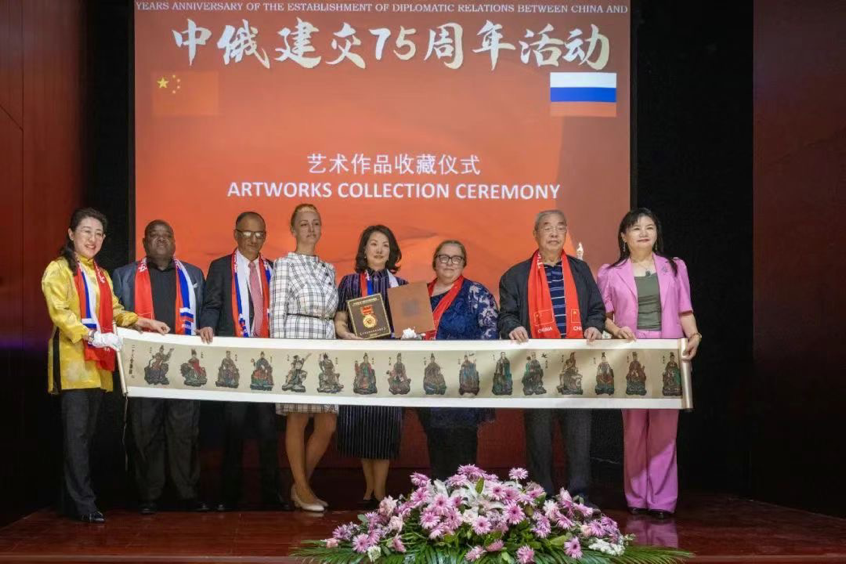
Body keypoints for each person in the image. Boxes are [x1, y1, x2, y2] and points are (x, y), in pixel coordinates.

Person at [41, 208, 168, 523]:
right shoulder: (58, 269)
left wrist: (144, 321)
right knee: (76, 437)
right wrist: (92, 335)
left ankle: (71, 501)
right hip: (72, 365)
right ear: (71, 234)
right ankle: (84, 503)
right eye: (86, 231)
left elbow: (115, 311)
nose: (92, 238)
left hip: (97, 366)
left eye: (98, 233)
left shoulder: (101, 274)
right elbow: (60, 312)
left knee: (86, 436)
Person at [597, 208, 701, 519]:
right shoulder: (610, 272)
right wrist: (616, 329)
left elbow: (684, 310)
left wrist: (694, 335)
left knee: (665, 430)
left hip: (667, 354)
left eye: (649, 227)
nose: (643, 233)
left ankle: (662, 500)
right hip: (630, 355)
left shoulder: (674, 267)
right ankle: (636, 496)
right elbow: (603, 316)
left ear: (657, 233)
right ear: (624, 236)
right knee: (634, 429)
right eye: (636, 228)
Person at [497, 210, 605, 503]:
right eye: (547, 227)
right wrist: (513, 326)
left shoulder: (581, 270)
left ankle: (579, 496)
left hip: (577, 365)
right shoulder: (516, 275)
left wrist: (594, 326)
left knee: (579, 435)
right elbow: (505, 315)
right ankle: (541, 496)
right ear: (536, 234)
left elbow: (597, 309)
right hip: (537, 367)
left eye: (560, 227)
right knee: (539, 435)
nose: (554, 233)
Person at [112, 220, 208, 515]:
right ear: (144, 242)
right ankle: (148, 495)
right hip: (144, 366)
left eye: (167, 235)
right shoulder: (124, 275)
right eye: (154, 235)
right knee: (146, 430)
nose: (161, 240)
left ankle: (186, 493)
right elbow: (115, 316)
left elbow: (204, 314)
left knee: (184, 431)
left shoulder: (193, 275)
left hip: (185, 367)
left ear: (175, 242)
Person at [198, 211, 289, 512]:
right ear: (236, 234)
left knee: (267, 429)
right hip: (234, 360)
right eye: (247, 233)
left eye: (259, 234)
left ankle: (272, 495)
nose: (253, 239)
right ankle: (229, 495)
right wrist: (207, 324)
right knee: (233, 428)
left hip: (265, 361)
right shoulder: (221, 267)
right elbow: (212, 304)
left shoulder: (273, 269)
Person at [270, 203, 339, 513]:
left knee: (327, 422)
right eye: (304, 223)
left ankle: (300, 487)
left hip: (326, 347)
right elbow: (276, 313)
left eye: (316, 223)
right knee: (298, 418)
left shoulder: (329, 269)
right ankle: (302, 489)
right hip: (296, 344)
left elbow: (334, 312)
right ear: (293, 229)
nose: (311, 229)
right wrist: (282, 356)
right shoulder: (284, 264)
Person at [334, 225, 406, 506]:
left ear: (392, 252)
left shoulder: (401, 285)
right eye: (373, 243)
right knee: (364, 429)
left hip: (390, 370)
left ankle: (380, 491)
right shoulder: (350, 282)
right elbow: (340, 319)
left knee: (386, 428)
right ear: (364, 249)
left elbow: (411, 327)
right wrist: (346, 335)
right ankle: (369, 489)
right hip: (359, 366)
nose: (379, 249)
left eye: (385, 245)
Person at [416, 240, 498, 480]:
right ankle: (439, 498)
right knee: (436, 443)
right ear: (434, 262)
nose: (449, 263)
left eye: (456, 258)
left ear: (464, 264)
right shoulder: (420, 295)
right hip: (428, 384)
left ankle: (464, 498)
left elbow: (491, 331)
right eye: (443, 257)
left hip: (463, 385)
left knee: (462, 448)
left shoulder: (476, 293)